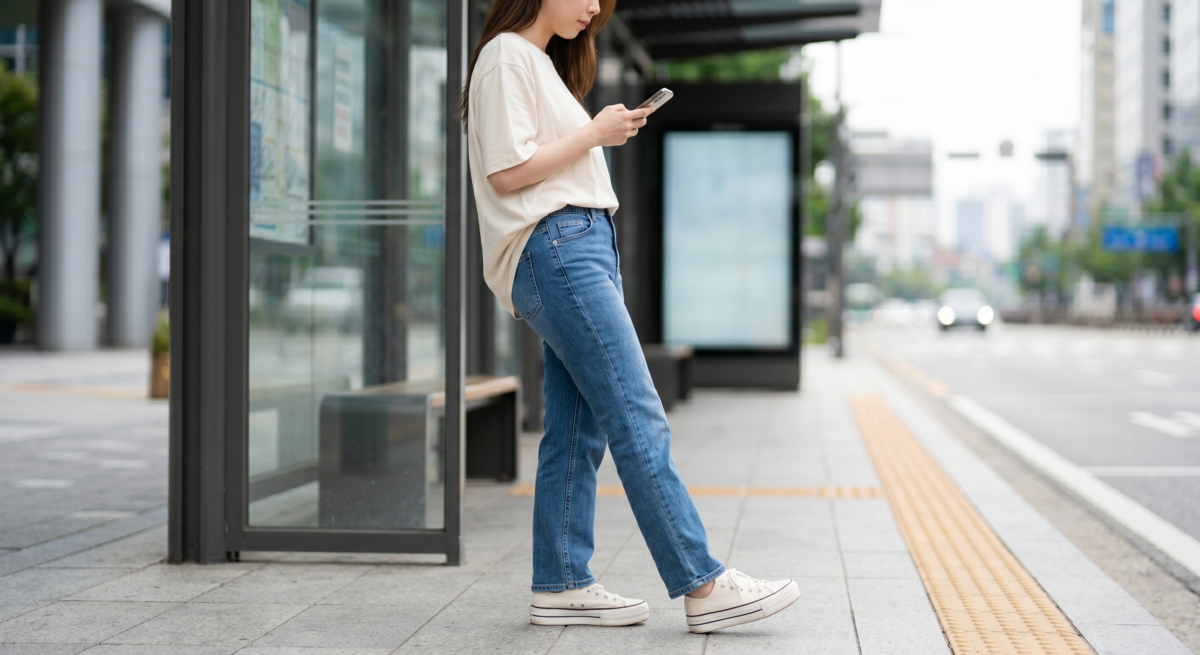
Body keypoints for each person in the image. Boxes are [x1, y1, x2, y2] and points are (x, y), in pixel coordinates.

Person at [459, 0, 800, 634]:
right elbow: (506, 174)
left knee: (578, 428)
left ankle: (561, 583)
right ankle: (701, 582)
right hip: (558, 248)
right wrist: (593, 133)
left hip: (572, 247)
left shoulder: (533, 61)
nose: (594, 9)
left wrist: (595, 133)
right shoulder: (507, 56)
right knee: (635, 411)